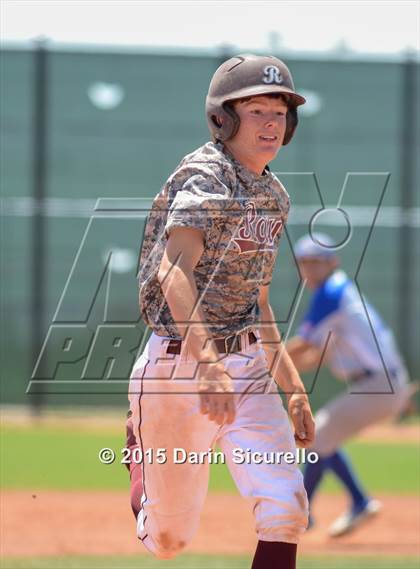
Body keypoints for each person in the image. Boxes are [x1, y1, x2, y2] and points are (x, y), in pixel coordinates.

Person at [125, 54, 315, 569]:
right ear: (223, 119)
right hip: (179, 366)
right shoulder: (207, 176)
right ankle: (140, 458)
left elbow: (258, 298)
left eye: (280, 112)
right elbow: (172, 272)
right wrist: (206, 363)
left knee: (286, 508)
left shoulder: (273, 195)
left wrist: (292, 386)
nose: (272, 123)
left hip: (248, 368)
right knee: (169, 540)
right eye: (256, 110)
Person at [286, 232, 411, 537]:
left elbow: (302, 345)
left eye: (316, 262)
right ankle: (358, 501)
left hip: (378, 385)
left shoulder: (331, 292)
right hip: (382, 384)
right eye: (304, 263)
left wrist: (259, 356)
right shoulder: (340, 290)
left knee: (317, 437)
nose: (310, 269)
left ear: (332, 262)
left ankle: (303, 514)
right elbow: (314, 356)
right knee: (324, 436)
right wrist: (277, 369)